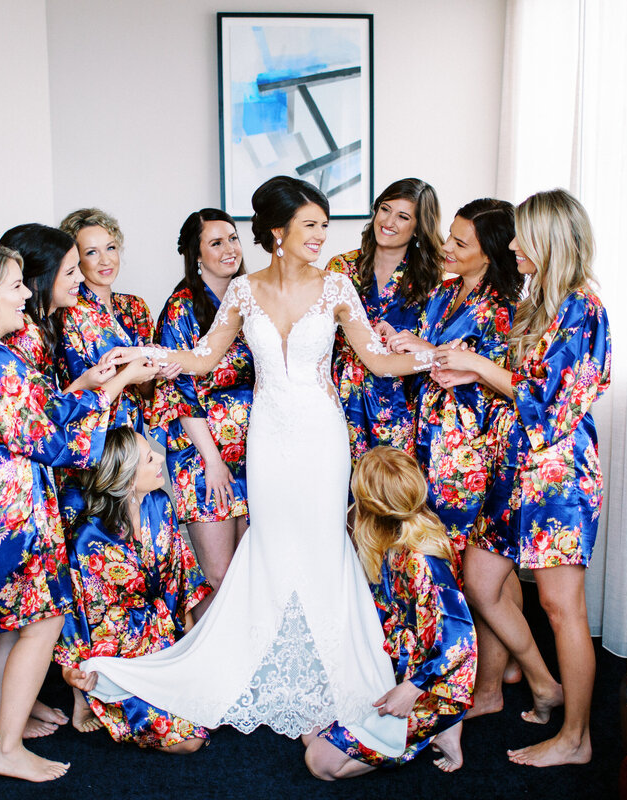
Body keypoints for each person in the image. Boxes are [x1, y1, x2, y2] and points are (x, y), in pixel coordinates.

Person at [75, 176, 441, 758]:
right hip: (269, 441)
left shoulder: (338, 287)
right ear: (278, 232)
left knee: (323, 545)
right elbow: (203, 357)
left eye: (325, 226)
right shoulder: (244, 291)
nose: (322, 236)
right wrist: (152, 357)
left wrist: (434, 356)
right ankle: (259, 669)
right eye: (311, 226)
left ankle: (332, 682)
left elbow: (373, 358)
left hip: (323, 438)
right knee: (271, 546)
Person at [0, 243, 128, 782]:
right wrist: (114, 390)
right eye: (15, 286)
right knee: (45, 620)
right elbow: (59, 443)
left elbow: (23, 416)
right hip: (4, 520)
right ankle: (7, 747)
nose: (24, 296)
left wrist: (87, 383)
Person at [433, 188, 611, 767]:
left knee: (563, 608)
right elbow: (517, 382)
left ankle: (576, 739)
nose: (511, 245)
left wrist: (483, 368)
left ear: (550, 241)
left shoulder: (585, 308)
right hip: (514, 470)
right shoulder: (542, 302)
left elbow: (554, 404)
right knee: (480, 579)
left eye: (521, 236)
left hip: (558, 477)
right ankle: (540, 684)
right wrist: (476, 376)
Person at [0, 223, 158, 741]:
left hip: (33, 481)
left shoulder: (39, 327)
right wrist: (120, 380)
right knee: (21, 613)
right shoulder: (20, 337)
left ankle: (13, 703)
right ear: (40, 277)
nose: (80, 278)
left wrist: (84, 381)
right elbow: (49, 432)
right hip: (17, 489)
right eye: (72, 269)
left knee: (26, 611)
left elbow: (49, 405)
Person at [384, 199, 530, 715]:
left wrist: (454, 366)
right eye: (449, 236)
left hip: (471, 450)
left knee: (472, 569)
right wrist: (411, 344)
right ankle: (506, 666)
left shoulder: (506, 308)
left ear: (490, 255)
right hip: (431, 436)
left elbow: (508, 384)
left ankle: (481, 683)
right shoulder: (446, 291)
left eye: (460, 243)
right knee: (487, 571)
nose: (446, 247)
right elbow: (437, 355)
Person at [304, 447, 476, 780]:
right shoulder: (383, 534)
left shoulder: (421, 561)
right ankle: (433, 731)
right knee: (309, 729)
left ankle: (439, 729)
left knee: (320, 762)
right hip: (393, 663)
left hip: (429, 684)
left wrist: (411, 689)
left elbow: (461, 641)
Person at [56, 428, 211, 752]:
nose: (159, 460)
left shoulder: (160, 504)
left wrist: (192, 650)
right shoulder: (89, 538)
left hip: (160, 632)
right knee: (190, 741)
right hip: (116, 647)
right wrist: (73, 669)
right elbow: (78, 610)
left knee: (212, 705)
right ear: (126, 479)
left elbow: (178, 575)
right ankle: (91, 695)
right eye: (149, 459)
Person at [150, 209, 254, 614]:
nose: (230, 249)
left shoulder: (251, 298)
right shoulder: (181, 309)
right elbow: (179, 393)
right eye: (216, 242)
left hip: (251, 452)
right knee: (220, 575)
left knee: (252, 568)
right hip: (204, 456)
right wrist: (212, 460)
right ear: (196, 254)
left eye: (233, 238)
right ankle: (211, 670)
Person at [326, 178, 444, 464]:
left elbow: (433, 346)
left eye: (403, 216)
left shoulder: (431, 281)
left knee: (393, 493)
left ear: (418, 227)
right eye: (385, 209)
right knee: (343, 493)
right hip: (342, 394)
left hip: (400, 400)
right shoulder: (340, 268)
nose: (388, 221)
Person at [60, 207, 173, 431]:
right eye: (92, 252)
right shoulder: (69, 312)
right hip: (91, 433)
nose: (106, 260)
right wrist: (131, 372)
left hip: (134, 434)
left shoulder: (135, 307)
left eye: (110, 248)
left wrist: (154, 372)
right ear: (76, 259)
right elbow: (77, 389)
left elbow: (148, 392)